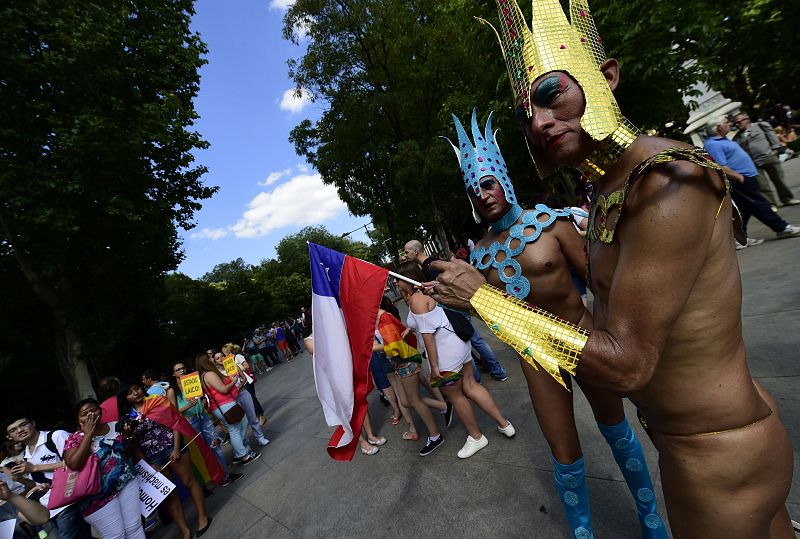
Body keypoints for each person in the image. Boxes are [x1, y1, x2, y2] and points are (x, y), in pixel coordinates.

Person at [427, 1, 797, 536]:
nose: (540, 120)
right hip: (695, 438)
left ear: (606, 76)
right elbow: (616, 308)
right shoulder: (607, 195)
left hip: (717, 451)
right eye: (527, 113)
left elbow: (626, 365)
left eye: (552, 95)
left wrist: (485, 300)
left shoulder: (662, 182)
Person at [442, 109, 665, 534]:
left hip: (583, 339)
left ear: (503, 181)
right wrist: (463, 301)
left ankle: (651, 520)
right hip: (536, 357)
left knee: (617, 430)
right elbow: (492, 313)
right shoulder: (480, 256)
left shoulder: (550, 224)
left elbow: (603, 284)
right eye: (473, 192)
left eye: (487, 184)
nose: (482, 196)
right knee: (564, 453)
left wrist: (623, 336)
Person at [395, 261, 514, 459]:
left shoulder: (417, 299)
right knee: (471, 385)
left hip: (445, 354)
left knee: (456, 396)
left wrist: (433, 366)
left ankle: (476, 437)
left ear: (407, 279)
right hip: (458, 346)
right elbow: (430, 321)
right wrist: (411, 328)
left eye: (398, 280)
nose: (396, 284)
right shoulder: (423, 294)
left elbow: (428, 336)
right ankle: (504, 424)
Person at [117, 382, 218, 539]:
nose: (135, 393)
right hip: (152, 458)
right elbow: (134, 446)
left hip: (173, 447)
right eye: (130, 392)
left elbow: (175, 422)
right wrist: (148, 464)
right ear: (126, 398)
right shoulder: (127, 419)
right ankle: (184, 530)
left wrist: (177, 448)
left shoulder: (157, 401)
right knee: (169, 495)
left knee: (189, 481)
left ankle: (202, 518)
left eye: (136, 388)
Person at [404, 240, 508, 382]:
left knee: (473, 341)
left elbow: (448, 287)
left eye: (406, 252)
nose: (405, 255)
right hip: (457, 307)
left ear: (415, 251)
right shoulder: (428, 264)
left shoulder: (429, 266)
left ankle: (487, 375)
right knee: (474, 341)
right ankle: (492, 373)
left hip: (456, 308)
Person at [703, 118, 800, 245]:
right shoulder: (713, 144)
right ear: (717, 128)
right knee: (760, 205)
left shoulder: (722, 140)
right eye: (725, 123)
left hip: (744, 178)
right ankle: (782, 228)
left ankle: (739, 238)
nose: (729, 124)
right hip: (739, 181)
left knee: (744, 210)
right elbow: (720, 166)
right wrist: (739, 177)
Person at [375, 297, 449, 456]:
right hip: (400, 364)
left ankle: (435, 435)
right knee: (406, 402)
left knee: (413, 401)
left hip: (406, 362)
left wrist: (371, 348)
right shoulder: (381, 318)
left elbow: (394, 347)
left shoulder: (383, 318)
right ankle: (444, 406)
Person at [62, 399, 145, 539]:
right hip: (96, 496)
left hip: (126, 483)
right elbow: (74, 464)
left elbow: (128, 452)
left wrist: (129, 435)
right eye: (84, 414)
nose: (90, 415)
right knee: (116, 535)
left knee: (134, 526)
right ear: (78, 419)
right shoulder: (75, 438)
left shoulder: (115, 426)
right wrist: (88, 434)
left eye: (93, 410)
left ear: (100, 411)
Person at [4, 416, 92, 539]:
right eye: (13, 430)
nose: (19, 430)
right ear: (9, 437)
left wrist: (35, 468)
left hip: (70, 502)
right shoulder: (26, 455)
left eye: (23, 424)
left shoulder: (55, 436)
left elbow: (79, 460)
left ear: (33, 423)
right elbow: (37, 484)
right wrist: (18, 479)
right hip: (49, 510)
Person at [167, 362, 243, 487]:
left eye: (183, 368)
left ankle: (225, 475)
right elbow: (173, 413)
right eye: (178, 369)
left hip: (204, 417)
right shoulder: (171, 390)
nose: (181, 370)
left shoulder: (192, 380)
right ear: (173, 373)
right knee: (204, 450)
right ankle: (217, 476)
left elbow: (203, 396)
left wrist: (203, 402)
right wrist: (188, 406)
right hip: (190, 422)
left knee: (215, 445)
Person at [196, 354, 261, 466]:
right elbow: (224, 389)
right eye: (211, 357)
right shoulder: (210, 374)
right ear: (206, 361)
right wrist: (233, 380)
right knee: (235, 429)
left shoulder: (203, 376)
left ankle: (238, 453)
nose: (213, 359)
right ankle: (244, 456)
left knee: (238, 426)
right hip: (225, 404)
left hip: (221, 406)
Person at [732, 112, 800, 207]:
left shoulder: (760, 125)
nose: (738, 124)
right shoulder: (736, 137)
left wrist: (775, 149)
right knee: (762, 185)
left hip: (768, 157)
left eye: (740, 121)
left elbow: (772, 136)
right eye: (736, 123)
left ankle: (787, 199)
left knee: (779, 180)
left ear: (747, 120)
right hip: (754, 163)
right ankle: (771, 204)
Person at [213, 350, 269, 446]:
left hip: (243, 393)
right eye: (217, 358)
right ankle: (245, 443)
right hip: (232, 399)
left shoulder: (233, 365)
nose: (220, 359)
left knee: (252, 417)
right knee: (241, 422)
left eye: (221, 356)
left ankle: (260, 437)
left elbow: (244, 378)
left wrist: (239, 387)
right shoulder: (217, 374)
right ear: (215, 362)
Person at [221, 343, 267, 427]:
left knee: (252, 399)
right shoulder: (228, 362)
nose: (224, 355)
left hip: (246, 381)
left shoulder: (237, 356)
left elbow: (247, 366)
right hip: (239, 383)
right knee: (248, 402)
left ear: (228, 351)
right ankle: (256, 416)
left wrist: (237, 369)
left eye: (224, 353)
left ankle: (261, 415)